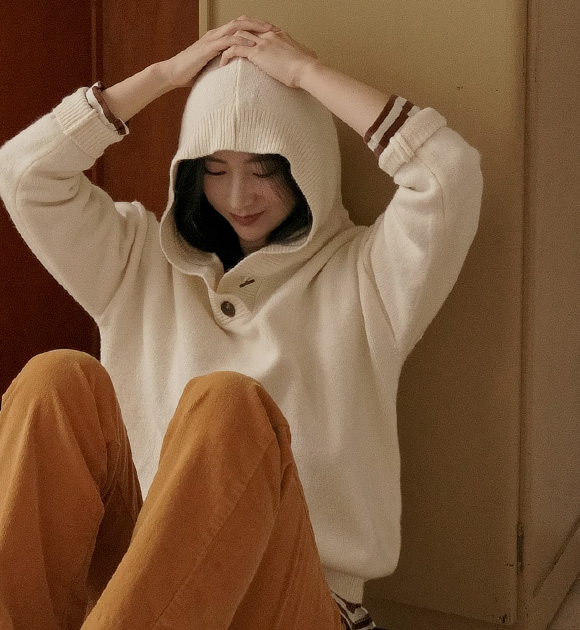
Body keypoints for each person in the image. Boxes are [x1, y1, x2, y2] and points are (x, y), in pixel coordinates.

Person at [0, 15, 483, 630]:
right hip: (143, 596)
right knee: (56, 380)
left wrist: (308, 73)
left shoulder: (367, 278)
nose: (238, 197)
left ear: (306, 163)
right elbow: (24, 174)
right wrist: (164, 76)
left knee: (229, 406)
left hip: (293, 597)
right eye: (215, 168)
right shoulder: (137, 261)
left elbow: (448, 173)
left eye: (264, 168)